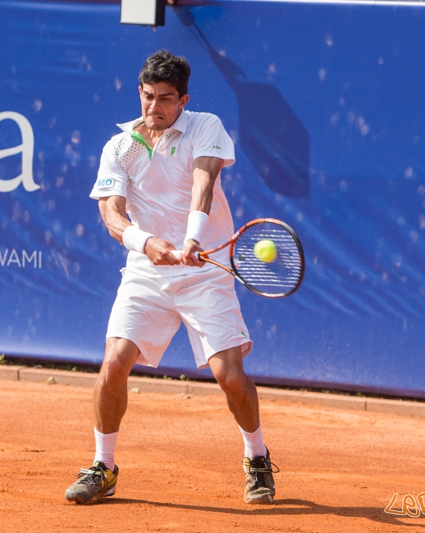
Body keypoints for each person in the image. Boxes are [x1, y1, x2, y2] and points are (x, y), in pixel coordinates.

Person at [65, 50, 276, 505]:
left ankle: (256, 457)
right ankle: (103, 466)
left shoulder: (205, 126)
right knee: (114, 363)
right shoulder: (119, 146)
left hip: (202, 275)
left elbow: (204, 182)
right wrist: (146, 244)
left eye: (164, 99)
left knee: (230, 376)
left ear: (183, 99)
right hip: (147, 272)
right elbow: (111, 214)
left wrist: (192, 238)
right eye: (147, 97)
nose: (154, 107)